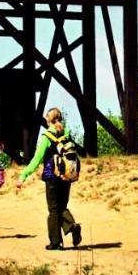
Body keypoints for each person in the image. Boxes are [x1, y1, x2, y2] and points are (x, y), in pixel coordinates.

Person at [17, 107, 83, 251]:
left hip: (52, 176)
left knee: (53, 210)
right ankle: (72, 226)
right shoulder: (66, 134)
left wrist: (24, 175)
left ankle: (56, 242)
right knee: (62, 206)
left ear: (48, 119)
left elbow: (37, 159)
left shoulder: (47, 136)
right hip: (66, 175)